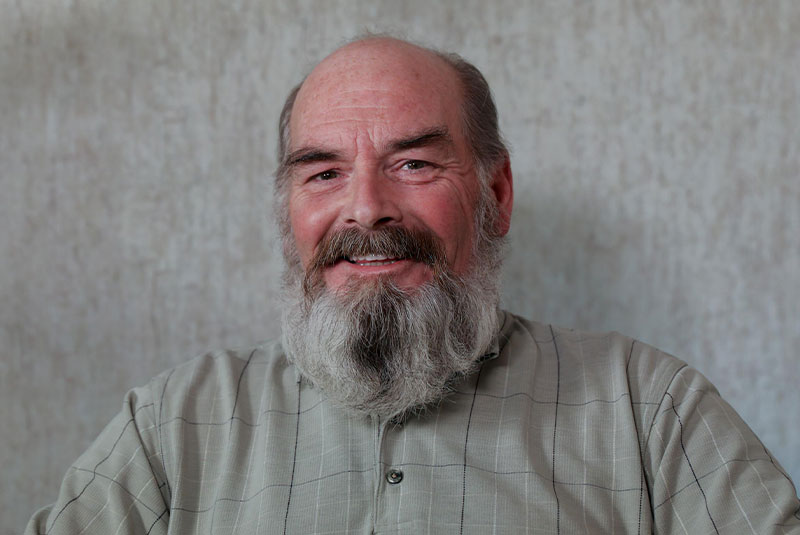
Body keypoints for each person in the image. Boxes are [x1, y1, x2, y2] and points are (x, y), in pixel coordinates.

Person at [26, 36, 800, 535]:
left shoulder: (649, 409)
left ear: (494, 195)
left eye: (414, 164)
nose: (365, 207)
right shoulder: (172, 424)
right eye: (323, 172)